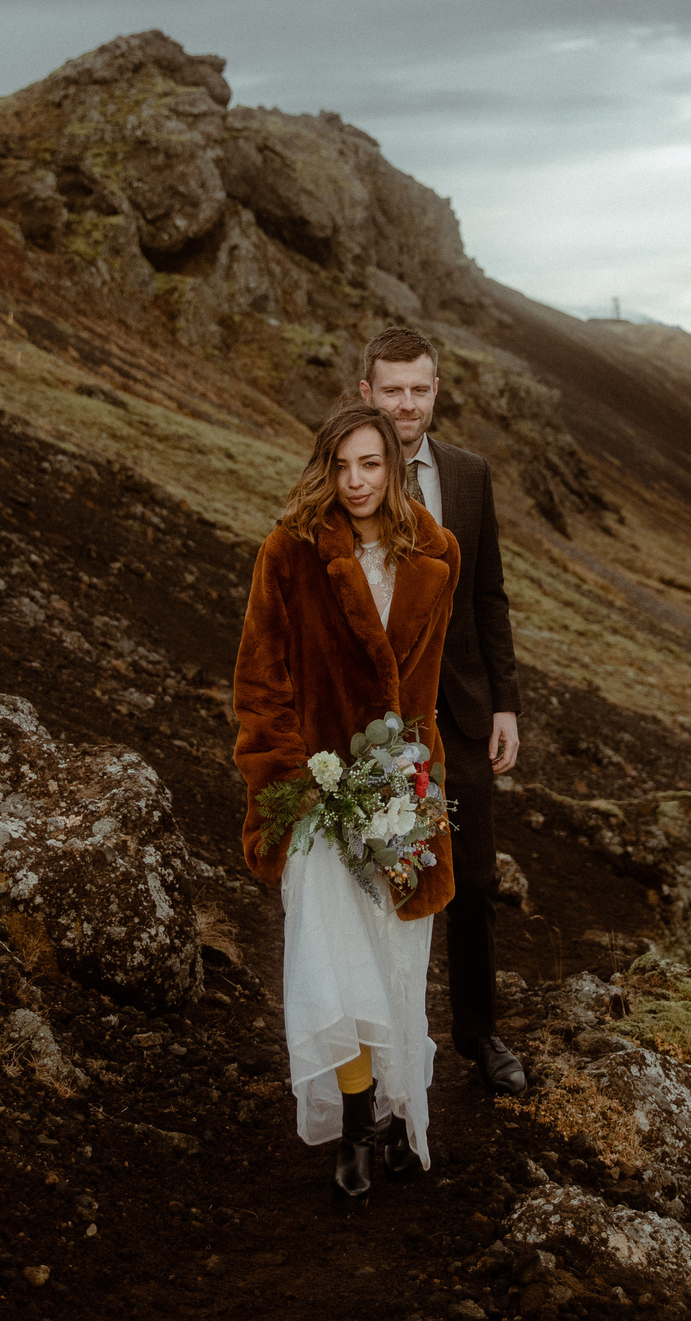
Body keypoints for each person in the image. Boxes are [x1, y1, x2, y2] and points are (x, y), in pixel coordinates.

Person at [234, 403, 463, 1202]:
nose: (357, 481)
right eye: (343, 466)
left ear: (394, 469)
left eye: (372, 465)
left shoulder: (437, 556)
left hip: (402, 795)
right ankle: (358, 1123)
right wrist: (293, 792)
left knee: (397, 966)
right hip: (316, 797)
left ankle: (401, 1112)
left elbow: (427, 690)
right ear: (325, 469)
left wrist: (415, 783)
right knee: (338, 963)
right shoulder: (290, 553)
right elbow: (261, 686)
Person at [357, 325, 529, 1095]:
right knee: (375, 883)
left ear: (437, 389)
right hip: (370, 719)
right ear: (367, 392)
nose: (407, 403)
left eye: (419, 388)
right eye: (392, 389)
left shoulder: (468, 474)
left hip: (458, 713)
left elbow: (489, 594)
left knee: (474, 881)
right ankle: (381, 1043)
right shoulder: (346, 474)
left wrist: (506, 705)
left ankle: (478, 1032)